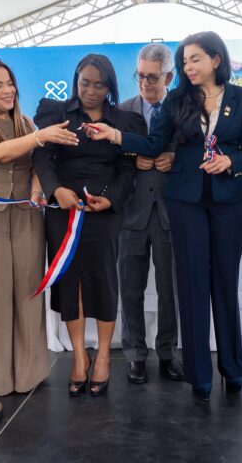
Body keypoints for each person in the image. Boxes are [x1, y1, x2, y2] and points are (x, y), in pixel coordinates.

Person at [86, 31, 242, 401]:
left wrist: (231, 162)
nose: (188, 66)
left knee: (225, 284)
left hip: (228, 200)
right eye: (184, 61)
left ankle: (233, 368)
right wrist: (115, 136)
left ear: (216, 59)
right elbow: (153, 143)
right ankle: (199, 375)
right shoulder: (179, 99)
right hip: (185, 201)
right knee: (192, 286)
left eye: (195, 59)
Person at [0, 59, 78, 395]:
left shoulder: (25, 122)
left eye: (9, 83)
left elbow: (38, 165)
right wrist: (41, 136)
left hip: (27, 216)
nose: (8, 90)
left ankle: (30, 374)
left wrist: (38, 188)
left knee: (28, 295)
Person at [33, 54, 145, 396]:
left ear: (110, 86)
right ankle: (80, 356)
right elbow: (41, 157)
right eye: (85, 83)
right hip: (62, 209)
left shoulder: (125, 121)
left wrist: (111, 199)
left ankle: (104, 357)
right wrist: (56, 190)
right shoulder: (55, 113)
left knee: (104, 280)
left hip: (104, 212)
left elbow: (127, 170)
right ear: (75, 81)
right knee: (71, 283)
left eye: (99, 85)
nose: (91, 91)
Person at [119, 43, 184, 384]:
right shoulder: (122, 111)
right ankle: (135, 354)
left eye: (152, 77)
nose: (144, 83)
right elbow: (108, 158)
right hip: (132, 214)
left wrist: (176, 158)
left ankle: (168, 351)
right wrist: (131, 158)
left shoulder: (182, 110)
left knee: (169, 290)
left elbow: (197, 152)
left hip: (170, 213)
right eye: (140, 76)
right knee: (130, 288)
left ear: (169, 77)